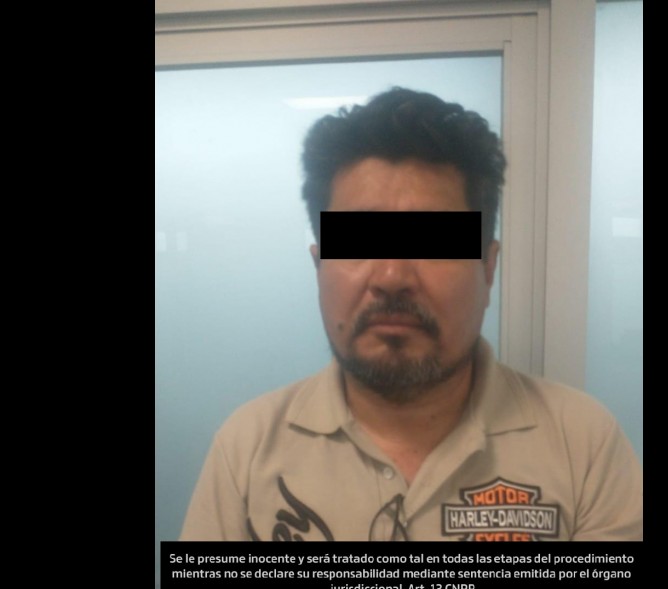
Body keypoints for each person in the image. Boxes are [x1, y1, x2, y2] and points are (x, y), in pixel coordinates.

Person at [180, 88, 643, 542]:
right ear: (319, 267)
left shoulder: (583, 445)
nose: (392, 276)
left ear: (488, 269)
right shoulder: (246, 449)